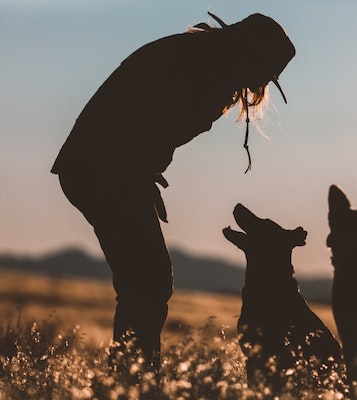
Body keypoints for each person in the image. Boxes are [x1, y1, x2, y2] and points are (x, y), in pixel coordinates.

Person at [51, 12, 295, 371]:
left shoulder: (203, 64)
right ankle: (133, 383)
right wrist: (138, 175)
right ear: (246, 55)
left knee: (146, 280)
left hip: (106, 168)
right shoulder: (195, 66)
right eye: (261, 72)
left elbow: (150, 126)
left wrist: (144, 177)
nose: (259, 84)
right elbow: (140, 121)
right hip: (102, 168)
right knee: (148, 281)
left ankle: (134, 379)